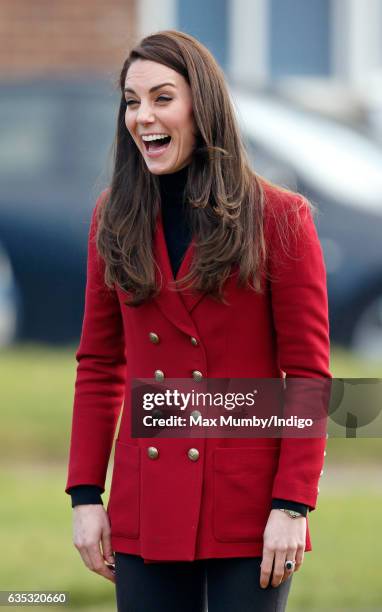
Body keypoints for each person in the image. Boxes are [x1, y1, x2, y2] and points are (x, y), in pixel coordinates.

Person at [65, 30, 331, 612]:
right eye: (132, 102)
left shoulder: (281, 219)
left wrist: (292, 506)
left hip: (249, 506)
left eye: (163, 98)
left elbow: (309, 375)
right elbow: (100, 364)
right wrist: (86, 496)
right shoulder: (113, 216)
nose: (143, 116)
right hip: (147, 502)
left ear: (202, 106)